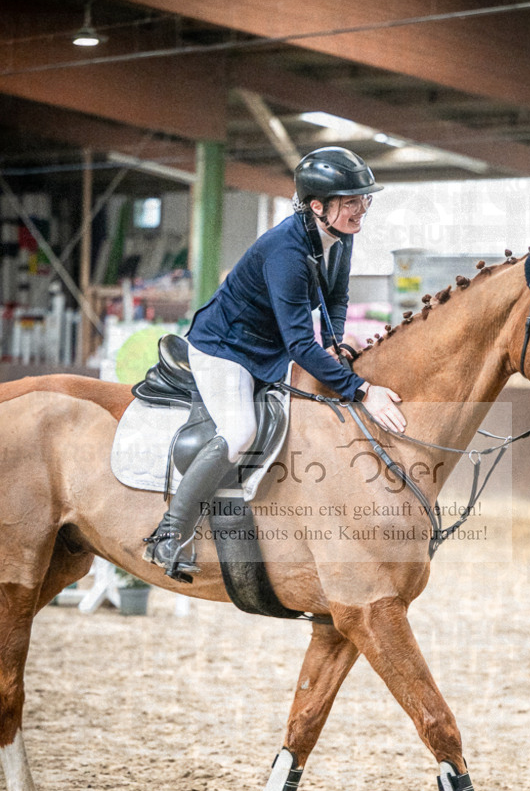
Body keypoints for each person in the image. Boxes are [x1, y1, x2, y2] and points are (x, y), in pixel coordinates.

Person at [144, 146, 406, 581]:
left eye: (364, 200)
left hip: (271, 347)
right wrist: (362, 389)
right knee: (240, 432)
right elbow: (302, 345)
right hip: (225, 347)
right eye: (351, 201)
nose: (361, 210)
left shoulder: (341, 235)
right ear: (318, 206)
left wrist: (337, 343)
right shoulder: (285, 251)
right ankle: (168, 534)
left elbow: (337, 297)